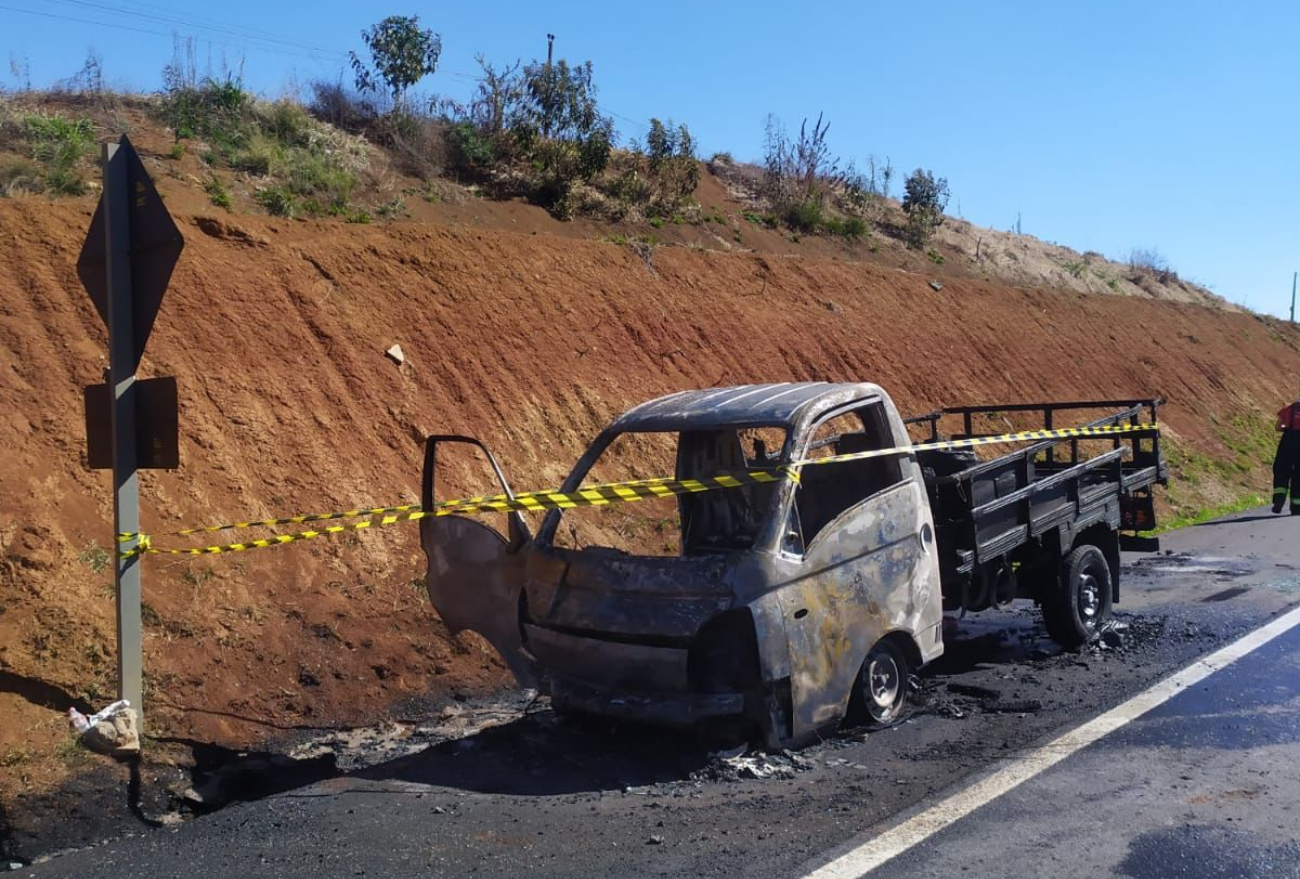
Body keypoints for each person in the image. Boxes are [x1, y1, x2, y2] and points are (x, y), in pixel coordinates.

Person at [1272, 398, 1300, 513]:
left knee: (1281, 469)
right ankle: (1296, 507)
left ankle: (1279, 498)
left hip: (1288, 441)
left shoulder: (1289, 409)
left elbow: (1278, 427)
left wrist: (1286, 428)